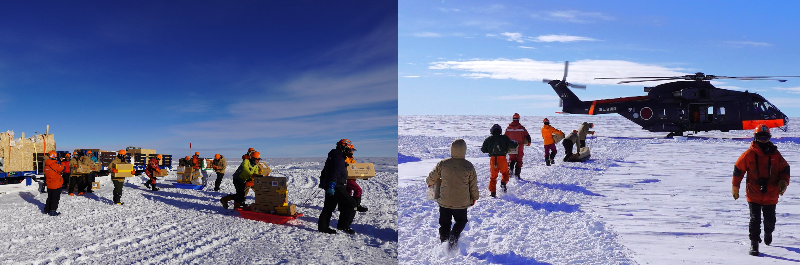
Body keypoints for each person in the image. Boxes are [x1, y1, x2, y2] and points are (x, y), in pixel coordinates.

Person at [732, 124, 790, 256]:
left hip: (771, 193)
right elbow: (738, 170)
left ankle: (768, 231)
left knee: (770, 219)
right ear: (755, 137)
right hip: (753, 193)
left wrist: (783, 182)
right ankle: (754, 244)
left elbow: (785, 168)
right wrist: (735, 187)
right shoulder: (749, 154)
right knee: (755, 219)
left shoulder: (776, 154)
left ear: (769, 138)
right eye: (760, 137)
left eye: (765, 137)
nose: (763, 140)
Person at [426, 139, 479, 249]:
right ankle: (453, 237)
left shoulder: (443, 163)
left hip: (444, 201)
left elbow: (431, 178)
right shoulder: (469, 166)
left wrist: (429, 183)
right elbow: (473, 186)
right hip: (461, 203)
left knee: (444, 224)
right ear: (464, 150)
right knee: (461, 221)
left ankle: (444, 245)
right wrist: (475, 197)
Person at [318, 139, 358, 234]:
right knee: (352, 204)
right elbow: (334, 172)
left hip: (332, 185)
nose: (351, 152)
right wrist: (332, 184)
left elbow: (325, 170)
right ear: (343, 148)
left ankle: (323, 228)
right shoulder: (338, 158)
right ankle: (343, 226)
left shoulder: (334, 156)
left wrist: (323, 180)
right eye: (349, 150)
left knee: (329, 207)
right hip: (336, 186)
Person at [481, 124, 518, 197]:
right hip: (502, 159)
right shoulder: (504, 138)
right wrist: (515, 143)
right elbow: (513, 145)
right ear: (500, 131)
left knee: (493, 177)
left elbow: (483, 149)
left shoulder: (488, 139)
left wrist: (489, 150)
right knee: (505, 173)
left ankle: (493, 192)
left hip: (493, 159)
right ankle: (503, 183)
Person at [505, 113, 531, 179]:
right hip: (520, 145)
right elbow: (527, 136)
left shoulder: (508, 128)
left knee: (512, 159)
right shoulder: (522, 128)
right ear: (518, 119)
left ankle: (510, 170)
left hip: (511, 146)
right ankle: (517, 174)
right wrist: (529, 142)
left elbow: (505, 137)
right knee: (519, 160)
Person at [343, 140, 368, 212]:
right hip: (346, 178)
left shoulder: (351, 158)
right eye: (351, 150)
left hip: (351, 178)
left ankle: (345, 206)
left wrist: (363, 175)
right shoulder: (344, 157)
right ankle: (357, 206)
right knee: (358, 190)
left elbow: (356, 168)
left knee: (348, 193)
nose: (352, 152)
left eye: (353, 150)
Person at [43, 151, 65, 216]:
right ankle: (53, 211)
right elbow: (63, 168)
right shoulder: (55, 165)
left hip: (49, 184)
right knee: (55, 198)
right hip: (56, 184)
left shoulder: (46, 166)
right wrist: (62, 162)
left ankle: (46, 210)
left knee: (49, 197)